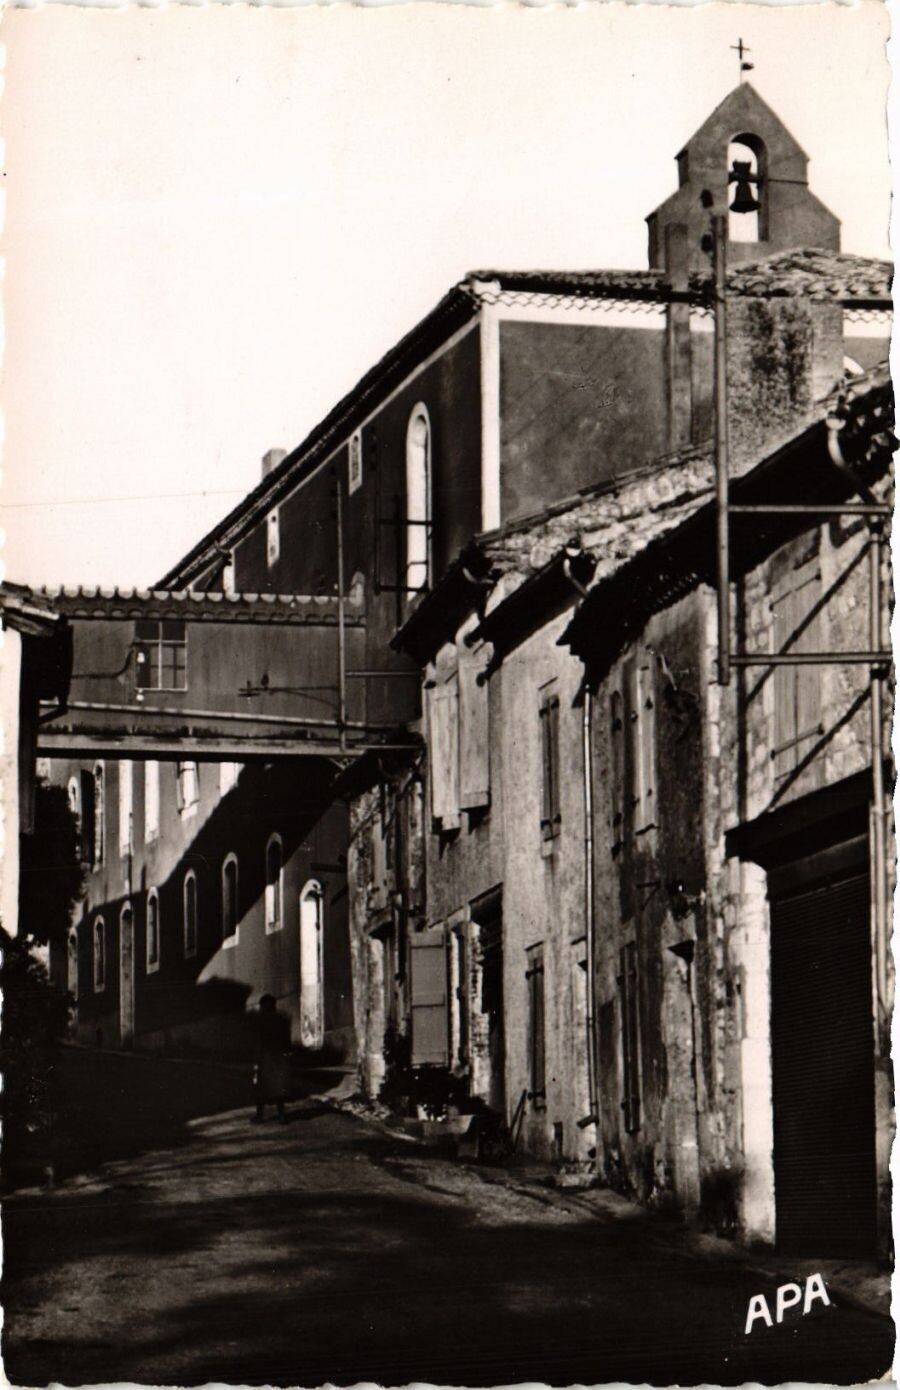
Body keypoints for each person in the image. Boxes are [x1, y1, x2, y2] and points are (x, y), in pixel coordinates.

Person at [252, 994, 292, 1123]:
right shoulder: (282, 1019)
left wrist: (256, 1061)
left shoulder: (260, 1020)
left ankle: (260, 1115)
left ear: (263, 1006)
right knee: (278, 1087)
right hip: (279, 1057)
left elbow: (258, 1041)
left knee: (262, 1088)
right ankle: (281, 1115)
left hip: (265, 1057)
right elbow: (287, 1040)